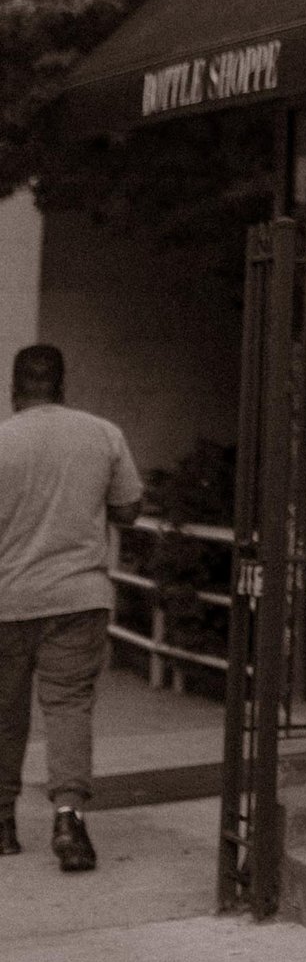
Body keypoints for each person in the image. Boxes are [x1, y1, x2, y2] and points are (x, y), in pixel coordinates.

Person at [0, 342, 143, 872]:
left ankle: (3, 826)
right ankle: (68, 818)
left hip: (8, 600)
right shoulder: (102, 433)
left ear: (16, 389)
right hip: (79, 598)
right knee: (68, 706)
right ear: (62, 386)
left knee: (4, 712)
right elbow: (128, 509)